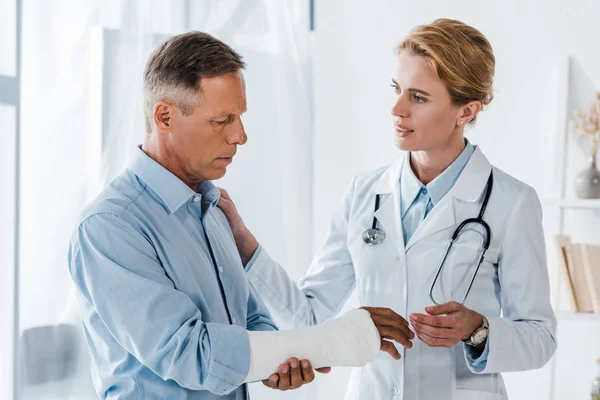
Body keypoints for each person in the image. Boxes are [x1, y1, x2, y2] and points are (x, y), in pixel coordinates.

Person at [218, 18, 557, 400]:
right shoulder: (365, 192)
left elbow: (540, 337)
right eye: (397, 89)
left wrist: (477, 329)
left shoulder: (511, 202)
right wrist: (246, 246)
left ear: (467, 111)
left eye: (419, 97)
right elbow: (309, 316)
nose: (397, 109)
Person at [67, 31, 414, 399]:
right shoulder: (111, 227)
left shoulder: (213, 210)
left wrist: (283, 358)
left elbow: (250, 320)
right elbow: (189, 353)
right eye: (222, 120)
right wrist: (329, 341)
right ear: (165, 116)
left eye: (240, 117)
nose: (240, 136)